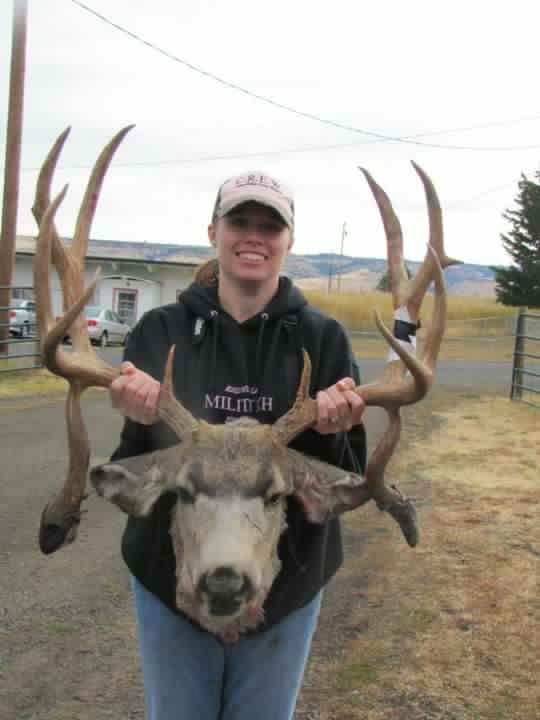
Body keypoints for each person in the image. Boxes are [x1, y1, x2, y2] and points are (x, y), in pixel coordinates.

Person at [108, 171, 367, 720]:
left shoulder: (323, 339)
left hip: (287, 579)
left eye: (270, 226)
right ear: (213, 231)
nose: (254, 236)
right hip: (170, 577)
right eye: (240, 222)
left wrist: (335, 429)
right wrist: (137, 415)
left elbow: (346, 477)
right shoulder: (160, 329)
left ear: (288, 242)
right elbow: (134, 466)